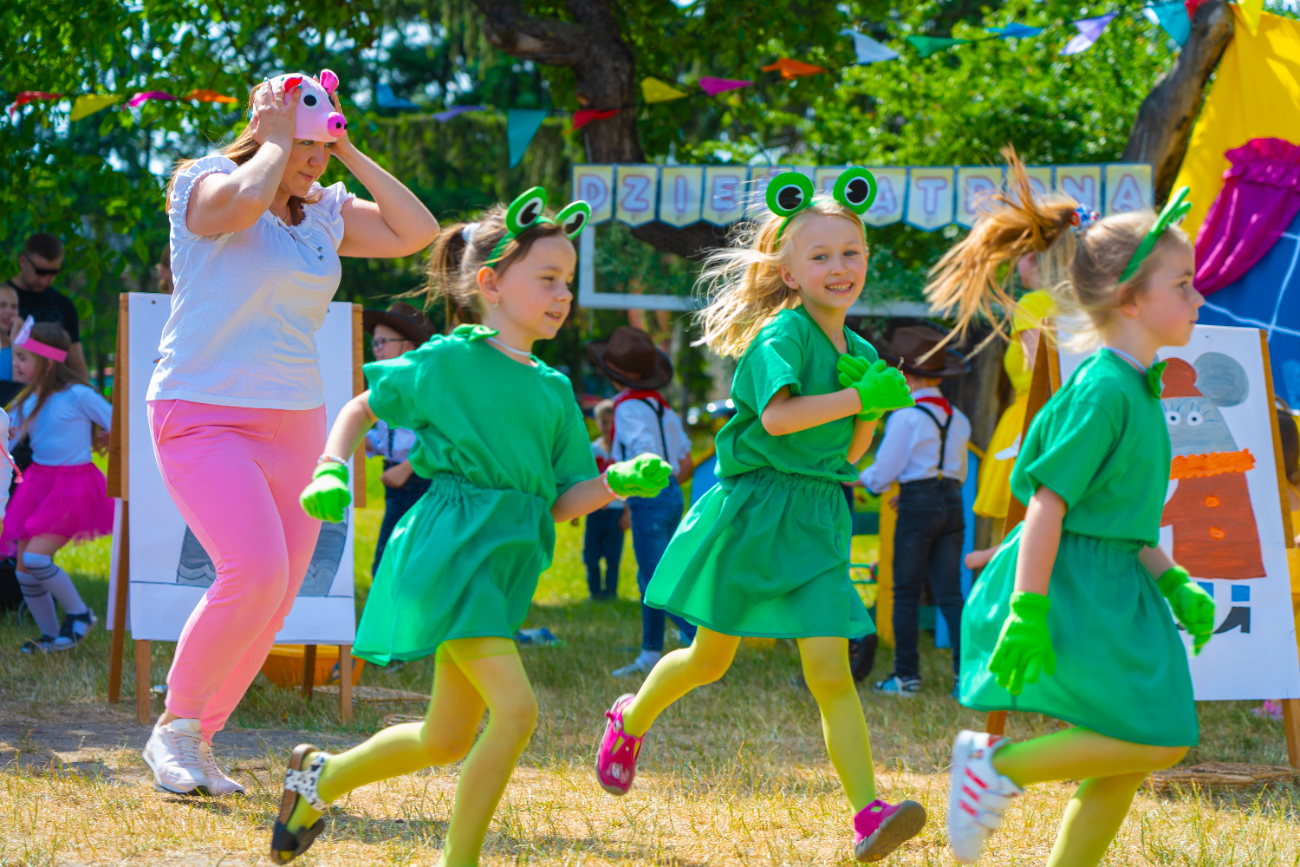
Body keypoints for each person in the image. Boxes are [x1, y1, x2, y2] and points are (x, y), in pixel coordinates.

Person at [272, 186, 672, 866]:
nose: (561, 293)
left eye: (567, 281)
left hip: (503, 563)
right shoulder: (447, 361)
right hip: (449, 552)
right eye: (547, 278)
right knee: (516, 712)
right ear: (490, 283)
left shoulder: (552, 388)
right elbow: (360, 408)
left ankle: (319, 777)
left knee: (445, 736)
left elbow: (558, 500)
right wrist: (332, 467)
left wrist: (614, 484)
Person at [593, 170, 929, 861]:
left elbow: (851, 452)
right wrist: (856, 398)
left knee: (831, 672)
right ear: (789, 271)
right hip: (754, 509)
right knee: (710, 660)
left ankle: (868, 812)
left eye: (852, 252)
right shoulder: (783, 334)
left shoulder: (860, 351)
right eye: (822, 255)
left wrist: (871, 407)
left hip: (816, 513)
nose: (841, 267)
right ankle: (631, 716)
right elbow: (777, 419)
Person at [140, 69, 440, 798]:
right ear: (269, 128)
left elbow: (418, 231)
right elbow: (240, 206)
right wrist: (277, 142)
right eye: (306, 144)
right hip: (201, 410)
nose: (312, 160)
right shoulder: (203, 180)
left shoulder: (324, 212)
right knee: (255, 572)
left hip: (295, 419)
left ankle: (200, 738)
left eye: (321, 145)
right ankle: (174, 729)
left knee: (276, 596)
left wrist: (347, 153)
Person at [928, 149, 1214, 866]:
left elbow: (1117, 517)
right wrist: (1028, 609)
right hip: (1077, 589)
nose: (1198, 297)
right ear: (1130, 298)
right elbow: (1050, 507)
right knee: (1160, 732)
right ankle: (998, 768)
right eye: (1182, 283)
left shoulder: (1138, 386)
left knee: (1125, 754)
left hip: (1119, 584)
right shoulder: (1105, 389)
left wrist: (1172, 578)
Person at [859, 325, 971, 699]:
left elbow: (882, 474)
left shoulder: (905, 417)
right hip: (950, 503)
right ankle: (964, 676)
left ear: (906, 375)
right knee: (950, 592)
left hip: (917, 504)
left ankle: (906, 677)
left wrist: (854, 479)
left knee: (906, 591)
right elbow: (956, 472)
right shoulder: (959, 418)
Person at [588, 326, 697, 674]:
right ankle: (652, 650)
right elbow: (684, 459)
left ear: (615, 376)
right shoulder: (663, 408)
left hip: (647, 494)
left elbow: (641, 454)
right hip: (670, 493)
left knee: (655, 579)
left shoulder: (625, 409)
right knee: (657, 574)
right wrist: (666, 486)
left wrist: (637, 487)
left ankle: (701, 641)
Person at [4, 321, 112, 654]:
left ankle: (81, 615)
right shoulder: (27, 401)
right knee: (24, 570)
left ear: (48, 363)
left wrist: (108, 438)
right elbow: (9, 432)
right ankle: (52, 637)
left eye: (23, 357)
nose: (16, 363)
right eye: (15, 356)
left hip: (73, 487)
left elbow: (119, 421)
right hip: (38, 484)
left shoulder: (77, 395)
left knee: (37, 558)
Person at [971, 287, 1056, 542]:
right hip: (1071, 419)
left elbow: (1041, 371)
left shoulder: (1033, 302)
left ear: (1031, 255)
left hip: (1033, 420)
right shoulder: (1098, 300)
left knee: (1015, 534)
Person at [363, 301, 434, 576]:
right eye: (374, 343)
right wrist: (366, 443)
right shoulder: (387, 386)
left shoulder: (422, 386)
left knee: (394, 562)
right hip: (397, 480)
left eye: (382, 342)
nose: (376, 349)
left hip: (419, 481)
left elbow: (436, 437)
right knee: (392, 557)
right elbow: (389, 437)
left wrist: (405, 469)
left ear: (408, 345)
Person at [3, 234, 90, 382]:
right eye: (40, 271)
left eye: (53, 272)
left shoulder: (64, 305)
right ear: (23, 262)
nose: (44, 280)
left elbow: (76, 365)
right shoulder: (4, 298)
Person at [583, 399, 628, 600]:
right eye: (603, 422)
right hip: (594, 509)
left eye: (611, 422)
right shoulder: (592, 451)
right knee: (590, 553)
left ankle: (611, 591)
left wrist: (628, 512)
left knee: (613, 553)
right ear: (596, 422)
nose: (607, 426)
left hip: (616, 510)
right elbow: (584, 479)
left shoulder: (624, 452)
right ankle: (594, 591)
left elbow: (629, 484)